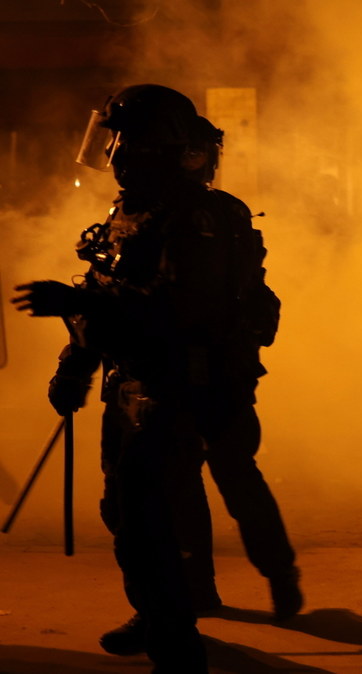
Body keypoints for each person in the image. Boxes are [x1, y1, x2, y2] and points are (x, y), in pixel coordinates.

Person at [12, 84, 295, 670]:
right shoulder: (129, 213)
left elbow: (179, 311)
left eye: (119, 139)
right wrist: (76, 367)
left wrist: (76, 302)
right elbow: (103, 293)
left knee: (175, 504)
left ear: (150, 146)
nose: (110, 153)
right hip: (138, 383)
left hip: (192, 385)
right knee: (127, 509)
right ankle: (161, 610)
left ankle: (185, 632)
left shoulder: (197, 218)